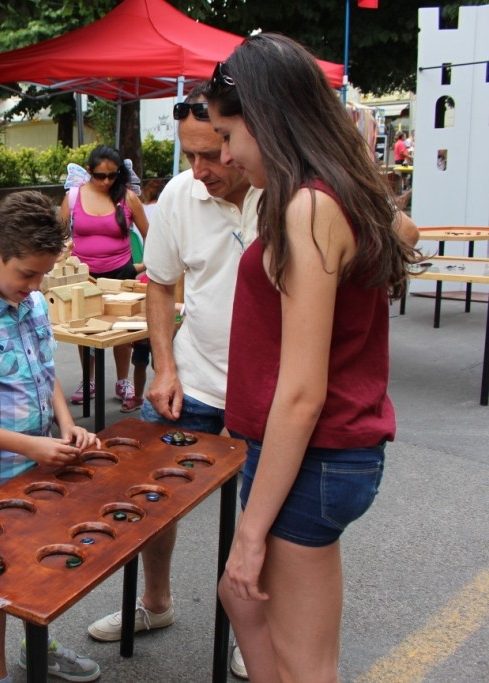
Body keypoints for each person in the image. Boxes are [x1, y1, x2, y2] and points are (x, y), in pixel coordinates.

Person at [203, 34, 419, 682]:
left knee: (303, 664)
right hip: (317, 457)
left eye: (229, 134)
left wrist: (249, 532)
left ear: (266, 118)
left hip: (312, 456)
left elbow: (302, 393)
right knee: (254, 613)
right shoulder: (327, 191)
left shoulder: (310, 204)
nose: (226, 154)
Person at [82, 84, 260, 680]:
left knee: (267, 514)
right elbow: (159, 282)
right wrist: (165, 365)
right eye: (189, 155)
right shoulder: (184, 194)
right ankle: (155, 604)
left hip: (266, 391)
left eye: (213, 153)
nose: (200, 169)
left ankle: (254, 632)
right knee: (147, 495)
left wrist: (257, 396)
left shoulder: (286, 190)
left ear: (246, 136)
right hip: (196, 377)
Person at [0, 190, 101, 683]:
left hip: (38, 470)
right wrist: (31, 445)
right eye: (27, 273)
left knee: (36, 571)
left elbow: (44, 372)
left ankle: (38, 648)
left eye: (42, 275)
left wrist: (67, 424)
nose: (34, 284)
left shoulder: (30, 303)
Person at [59, 144, 149, 412]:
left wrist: (143, 267)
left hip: (121, 271)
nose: (107, 181)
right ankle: (89, 381)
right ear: (89, 172)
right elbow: (59, 234)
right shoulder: (74, 197)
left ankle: (123, 381)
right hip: (83, 276)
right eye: (100, 176)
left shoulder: (128, 198)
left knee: (121, 329)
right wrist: (64, 259)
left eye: (113, 175)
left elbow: (151, 233)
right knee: (83, 328)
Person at [126, 177, 167, 414]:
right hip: (145, 326)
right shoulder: (145, 277)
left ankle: (142, 395)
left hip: (155, 327)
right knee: (142, 360)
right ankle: (139, 395)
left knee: (151, 361)